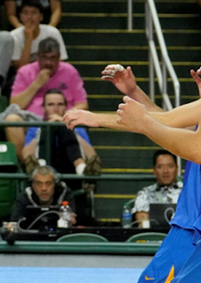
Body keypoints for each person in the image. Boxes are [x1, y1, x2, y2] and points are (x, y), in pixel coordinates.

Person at [65, 64, 201, 283]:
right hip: (188, 223)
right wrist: (132, 93)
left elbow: (195, 149)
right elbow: (164, 120)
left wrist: (103, 119)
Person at [17, 89, 100, 178]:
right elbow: (25, 156)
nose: (56, 109)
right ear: (44, 108)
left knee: (64, 128)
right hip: (45, 173)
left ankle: (81, 169)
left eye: (60, 104)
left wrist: (67, 128)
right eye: (50, 105)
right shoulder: (35, 128)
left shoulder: (77, 128)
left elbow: (92, 155)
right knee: (48, 129)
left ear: (65, 107)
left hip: (71, 170)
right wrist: (45, 129)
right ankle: (42, 168)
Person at [6, 166, 74, 233]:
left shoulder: (65, 194)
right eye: (39, 184)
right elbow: (15, 222)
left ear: (54, 184)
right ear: (33, 185)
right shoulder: (24, 197)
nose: (44, 188)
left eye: (48, 183)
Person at [9, 0, 67, 70]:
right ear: (20, 17)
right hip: (26, 76)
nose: (29, 17)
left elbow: (61, 62)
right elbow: (21, 69)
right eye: (26, 13)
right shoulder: (14, 36)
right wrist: (28, 39)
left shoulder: (52, 32)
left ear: (41, 17)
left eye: (34, 13)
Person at [134, 151, 183, 226]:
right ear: (154, 170)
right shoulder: (144, 194)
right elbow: (143, 222)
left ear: (177, 168)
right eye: (160, 167)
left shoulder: (188, 192)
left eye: (170, 166)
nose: (165, 171)